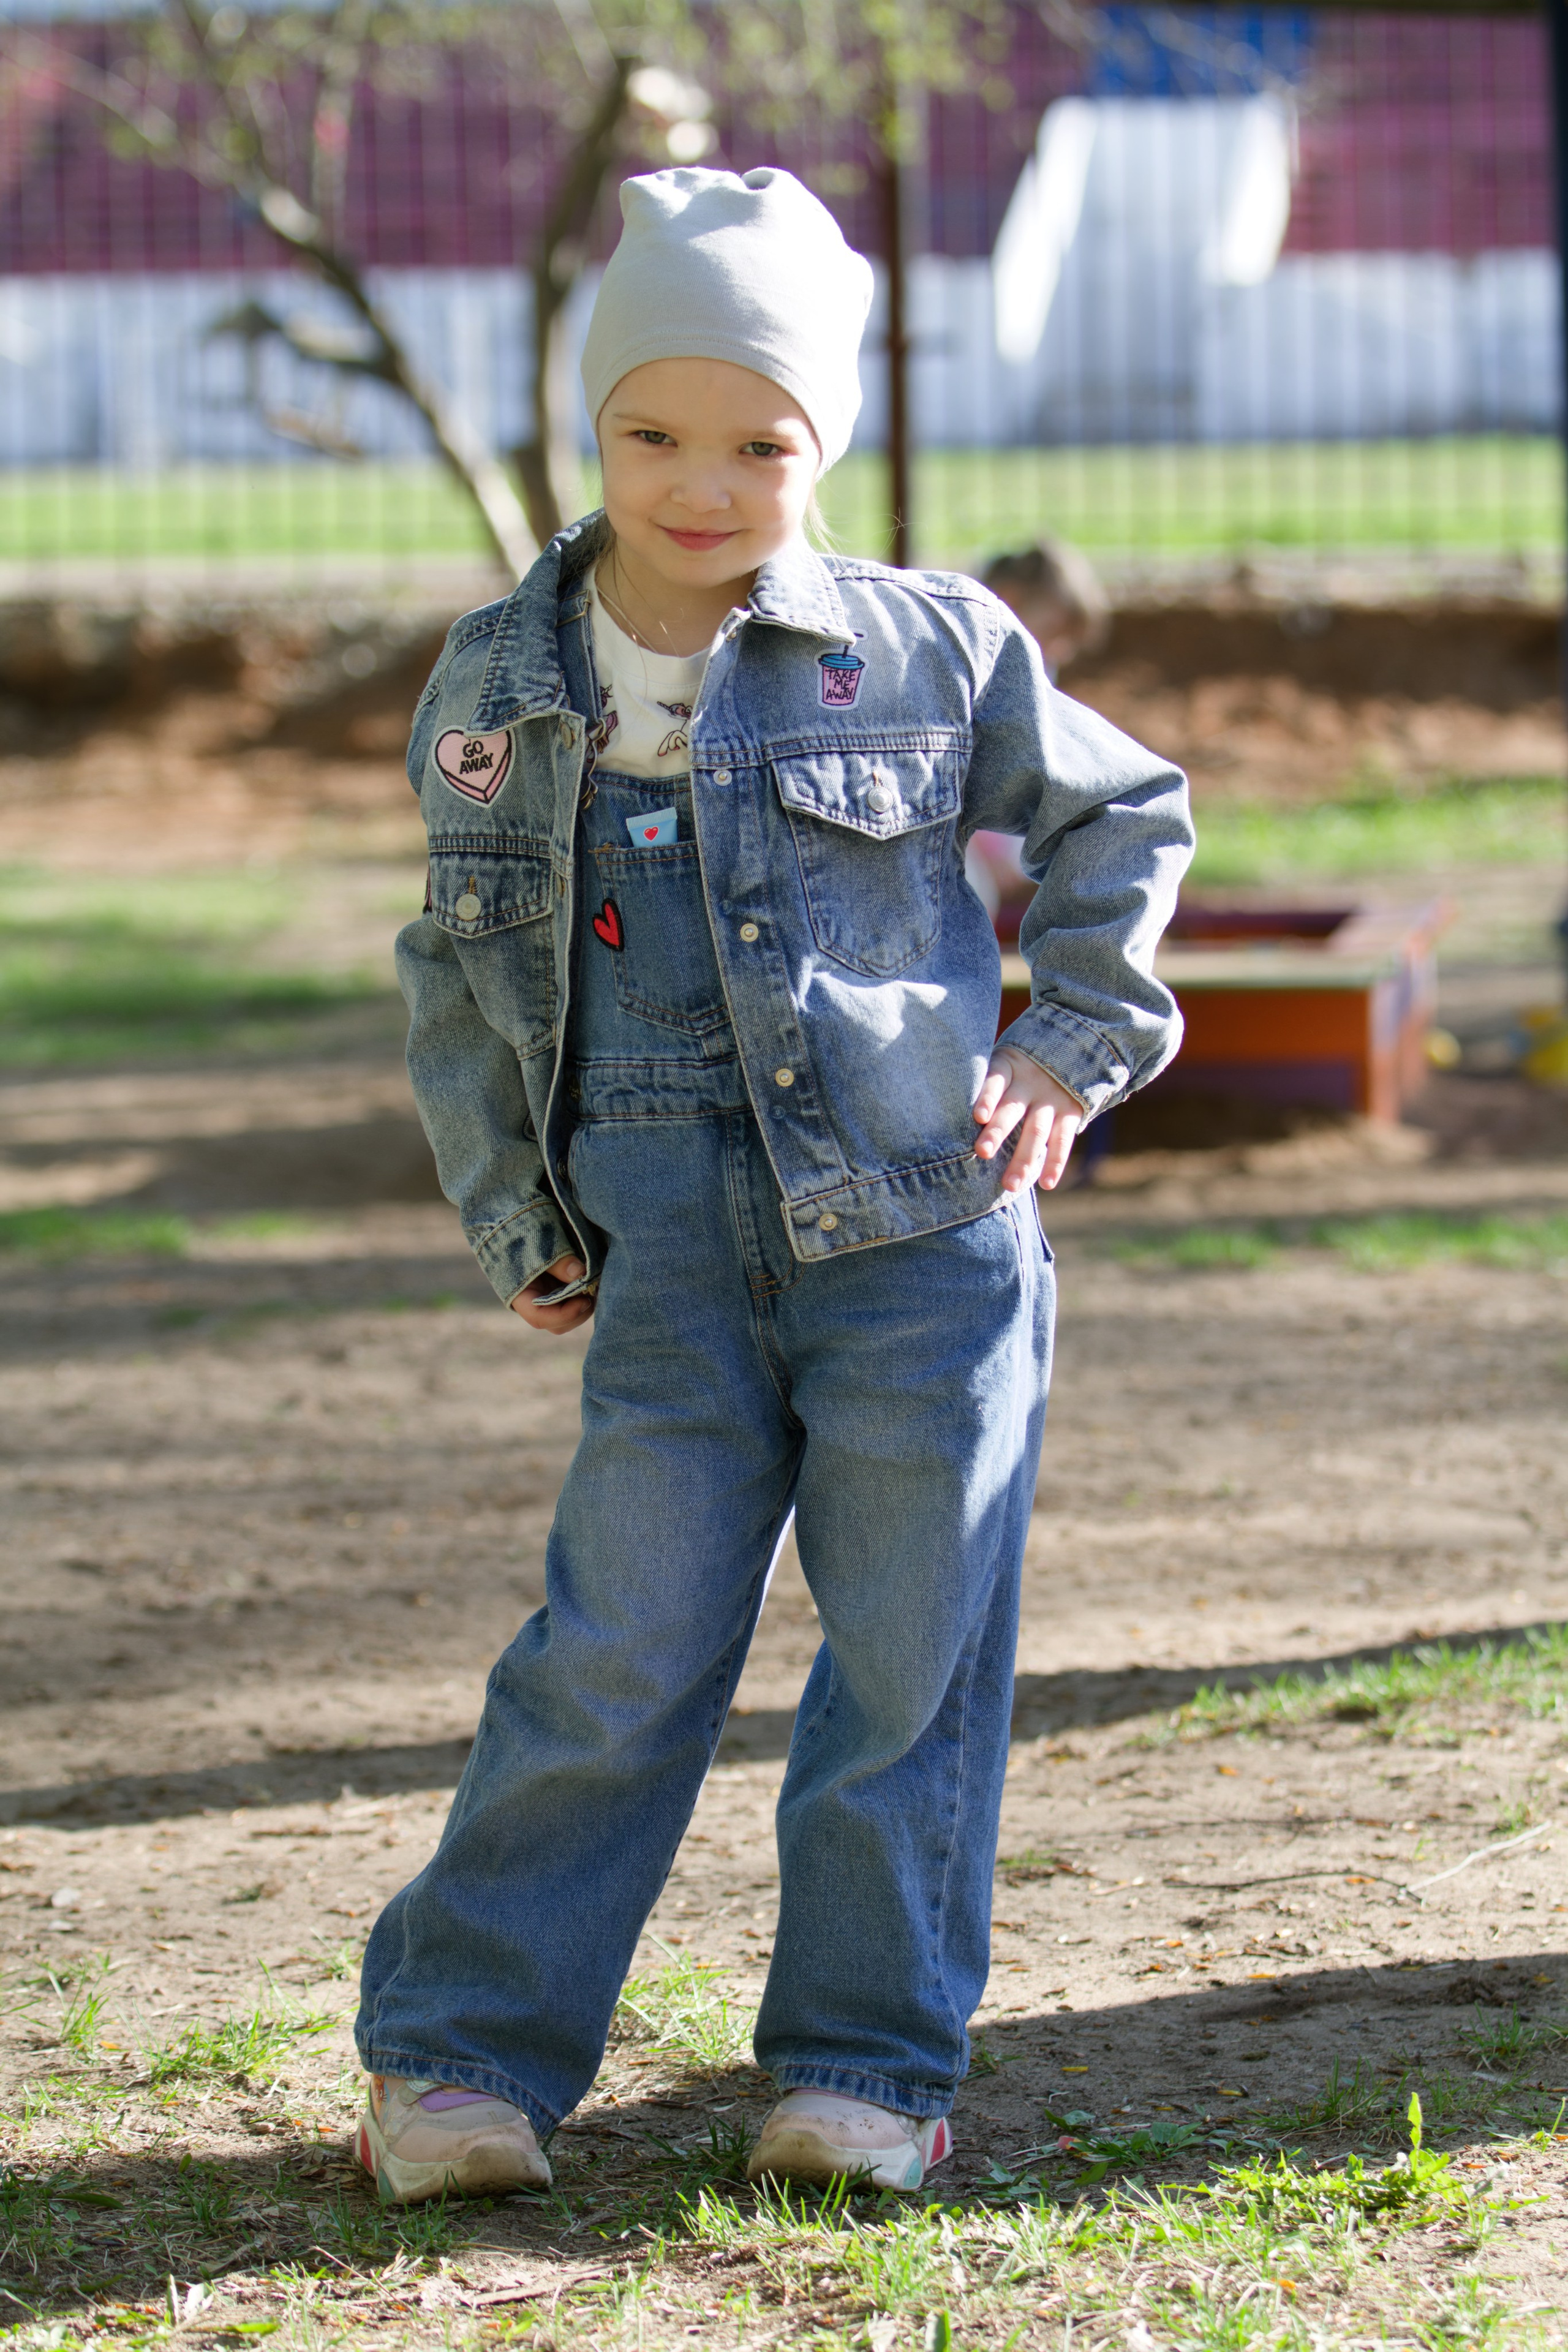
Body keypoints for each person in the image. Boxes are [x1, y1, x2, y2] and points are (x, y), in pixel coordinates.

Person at [353, 165, 1193, 2206]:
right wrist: (514, 1208)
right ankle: (461, 2056)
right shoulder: (500, 680)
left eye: (762, 442)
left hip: (922, 1241)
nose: (704, 482)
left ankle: (862, 2065)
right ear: (594, 424)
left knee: (911, 1665)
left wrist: (1067, 1046)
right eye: (655, 432)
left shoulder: (925, 649)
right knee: (617, 1651)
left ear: (826, 444)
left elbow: (1123, 814)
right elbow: (459, 973)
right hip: (662, 1262)